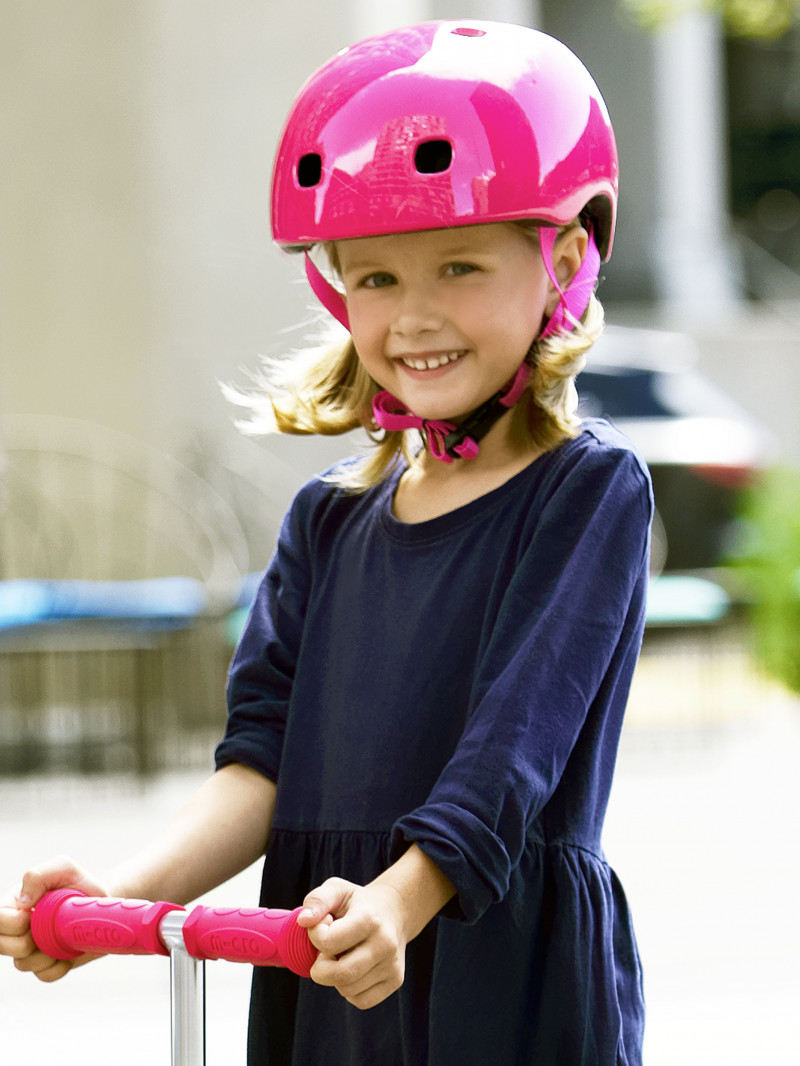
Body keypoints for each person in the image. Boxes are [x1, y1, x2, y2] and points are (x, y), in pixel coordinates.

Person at [0, 20, 651, 1065]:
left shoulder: (584, 492)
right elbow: (257, 766)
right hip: (327, 956)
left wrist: (400, 898)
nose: (414, 315)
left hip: (493, 968)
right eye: (376, 279)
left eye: (457, 265)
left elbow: (511, 751)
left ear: (561, 258)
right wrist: (118, 899)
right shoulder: (326, 522)